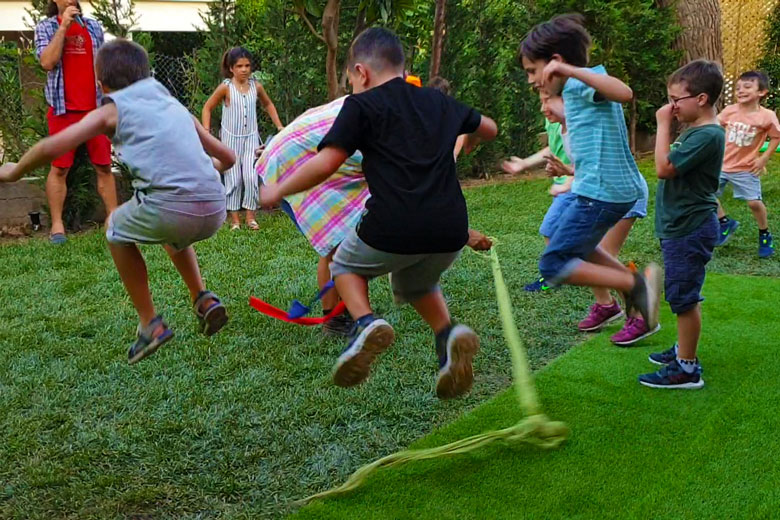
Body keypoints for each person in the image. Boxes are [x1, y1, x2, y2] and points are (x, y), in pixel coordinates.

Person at [260, 28, 498, 399]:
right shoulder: (437, 101)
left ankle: (366, 322)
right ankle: (447, 336)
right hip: (451, 229)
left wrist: (278, 187)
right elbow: (490, 128)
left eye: (351, 80)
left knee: (344, 266)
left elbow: (326, 163)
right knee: (416, 285)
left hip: (393, 225)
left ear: (362, 72)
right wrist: (473, 139)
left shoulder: (361, 105)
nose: (352, 87)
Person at [0, 40, 236, 364]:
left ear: (101, 84)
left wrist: (15, 171)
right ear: (147, 74)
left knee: (115, 228)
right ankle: (203, 299)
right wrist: (199, 172)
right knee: (170, 233)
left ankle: (150, 324)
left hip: (170, 208)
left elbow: (52, 146)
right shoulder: (174, 106)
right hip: (215, 207)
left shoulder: (112, 110)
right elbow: (228, 157)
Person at [518, 13, 661, 331]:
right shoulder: (571, 93)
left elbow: (624, 93)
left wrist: (570, 71)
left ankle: (634, 285)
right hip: (594, 188)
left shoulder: (582, 82)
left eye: (532, 71)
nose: (531, 80)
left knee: (553, 264)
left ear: (555, 61)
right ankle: (626, 290)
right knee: (571, 241)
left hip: (604, 192)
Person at [505, 90, 656, 345]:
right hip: (594, 191)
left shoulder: (586, 124)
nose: (543, 107)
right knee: (570, 243)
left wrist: (568, 182)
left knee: (603, 255)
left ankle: (640, 311)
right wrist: (565, 172)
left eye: (548, 100)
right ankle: (610, 304)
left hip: (616, 192)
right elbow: (580, 163)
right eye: (541, 100)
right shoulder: (563, 126)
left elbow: (602, 163)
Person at [639, 60, 725, 389]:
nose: (670, 106)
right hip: (682, 227)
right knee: (681, 294)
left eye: (676, 99)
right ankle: (682, 350)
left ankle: (687, 369)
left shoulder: (707, 135)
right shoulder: (696, 133)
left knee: (684, 299)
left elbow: (663, 168)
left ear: (700, 99)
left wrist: (662, 125)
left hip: (690, 229)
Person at [34, 0, 118, 244]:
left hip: (95, 110)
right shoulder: (46, 28)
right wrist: (64, 28)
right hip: (63, 110)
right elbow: (47, 62)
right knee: (59, 168)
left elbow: (104, 67)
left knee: (103, 167)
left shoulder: (92, 27)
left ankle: (113, 220)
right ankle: (57, 226)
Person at [202, 47, 284, 231]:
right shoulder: (226, 87)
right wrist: (206, 132)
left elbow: (268, 104)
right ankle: (235, 220)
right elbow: (207, 107)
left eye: (247, 65)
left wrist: (279, 125)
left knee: (250, 176)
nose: (244, 70)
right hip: (230, 141)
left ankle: (251, 217)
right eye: (239, 66)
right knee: (234, 179)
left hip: (251, 140)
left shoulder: (256, 86)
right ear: (231, 68)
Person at [714, 70, 780, 257]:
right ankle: (724, 222)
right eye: (738, 88)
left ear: (762, 92)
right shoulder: (729, 111)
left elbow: (776, 136)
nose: (741, 90)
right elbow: (714, 128)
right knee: (704, 194)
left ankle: (765, 234)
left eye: (747, 87)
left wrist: (763, 158)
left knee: (753, 203)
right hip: (720, 165)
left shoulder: (766, 116)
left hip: (746, 167)